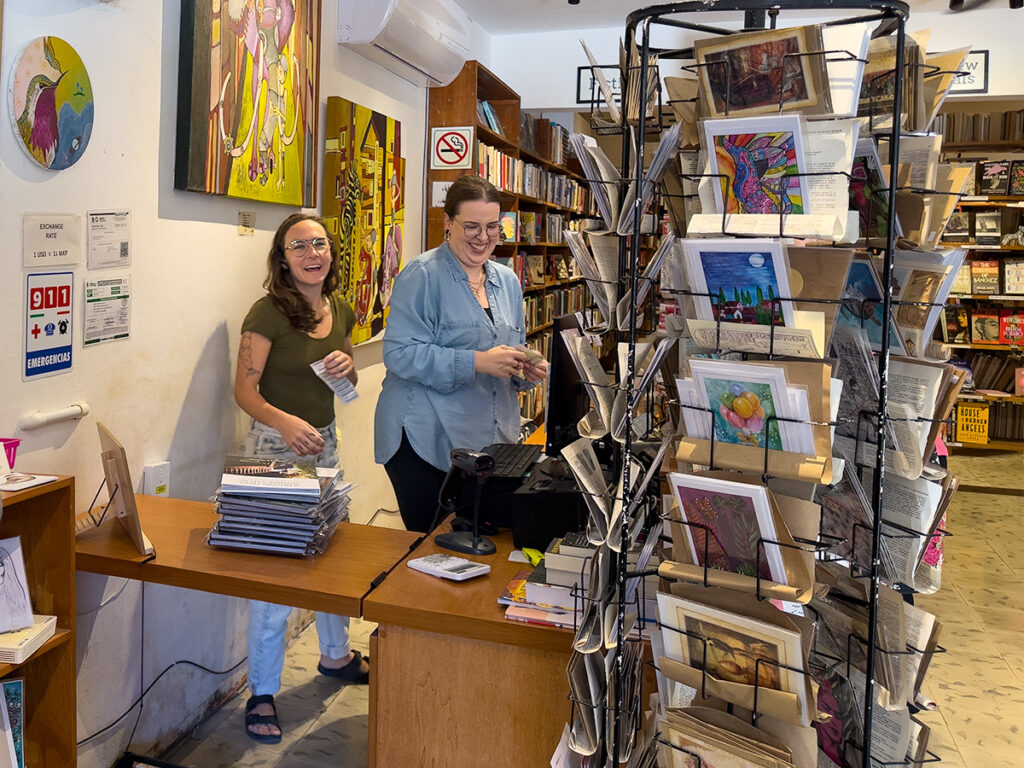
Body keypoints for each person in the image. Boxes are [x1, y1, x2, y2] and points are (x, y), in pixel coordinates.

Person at [233, 212, 367, 743]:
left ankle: (335, 656)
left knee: (331, 554)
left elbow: (351, 377)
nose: (313, 253)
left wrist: (346, 370)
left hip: (327, 441)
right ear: (282, 257)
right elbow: (244, 392)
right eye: (299, 246)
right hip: (274, 446)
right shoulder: (266, 313)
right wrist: (286, 424)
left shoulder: (341, 308)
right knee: (276, 573)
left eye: (320, 243)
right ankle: (262, 690)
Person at [374, 174, 547, 533]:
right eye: (471, 226)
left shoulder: (507, 280)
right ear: (448, 223)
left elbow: (508, 347)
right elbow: (400, 354)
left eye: (492, 227)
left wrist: (522, 368)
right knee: (432, 551)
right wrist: (479, 362)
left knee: (486, 548)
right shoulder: (421, 275)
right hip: (425, 439)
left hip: (487, 441)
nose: (483, 238)